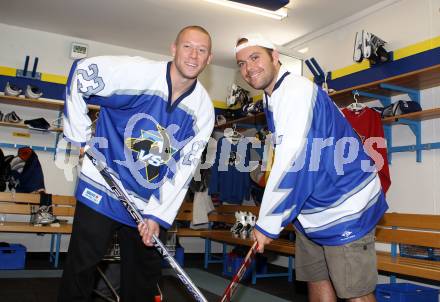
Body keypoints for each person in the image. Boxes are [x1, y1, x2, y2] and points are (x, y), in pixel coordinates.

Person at [58, 25, 214, 301]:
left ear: (209, 59)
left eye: (202, 50)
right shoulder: (136, 73)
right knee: (81, 267)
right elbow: (81, 72)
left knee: (143, 279)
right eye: (188, 46)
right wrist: (80, 137)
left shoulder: (202, 110)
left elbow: (184, 170)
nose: (193, 55)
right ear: (174, 49)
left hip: (147, 200)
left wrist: (157, 215)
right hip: (103, 185)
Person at [235, 33, 388, 302]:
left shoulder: (296, 91)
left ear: (275, 56)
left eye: (255, 57)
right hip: (310, 210)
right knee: (316, 279)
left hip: (345, 205)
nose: (248, 68)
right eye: (241, 63)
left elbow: (293, 161)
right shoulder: (272, 97)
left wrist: (268, 223)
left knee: (356, 293)